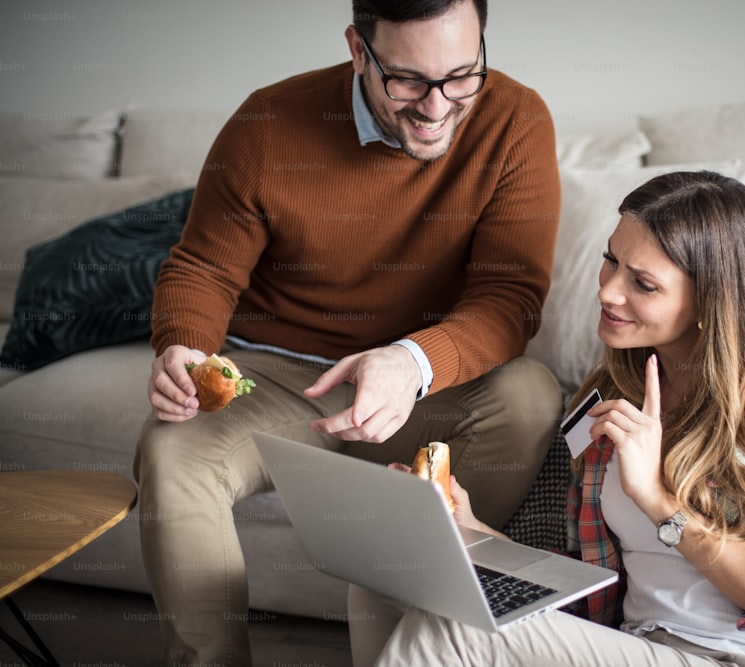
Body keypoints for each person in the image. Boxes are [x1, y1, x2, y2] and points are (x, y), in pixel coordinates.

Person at [132, 0, 563, 663]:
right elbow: (205, 267)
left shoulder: (516, 119)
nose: (438, 105)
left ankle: (437, 639)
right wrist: (183, 345)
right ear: (358, 51)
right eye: (409, 80)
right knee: (171, 450)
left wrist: (411, 360)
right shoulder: (267, 122)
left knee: (530, 394)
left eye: (462, 74)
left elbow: (509, 298)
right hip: (275, 380)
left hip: (422, 392)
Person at [349, 171, 745, 666]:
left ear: (711, 298)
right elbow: (589, 585)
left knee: (453, 628)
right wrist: (472, 532)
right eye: (611, 261)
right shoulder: (609, 391)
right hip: (635, 644)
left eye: (643, 284)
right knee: (384, 579)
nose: (607, 291)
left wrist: (656, 499)